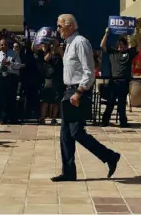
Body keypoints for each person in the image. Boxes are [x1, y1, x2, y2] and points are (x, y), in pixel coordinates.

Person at [52, 14, 120, 182]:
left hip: (78, 91)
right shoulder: (68, 45)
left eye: (60, 26)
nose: (57, 30)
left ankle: (110, 156)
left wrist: (79, 92)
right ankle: (68, 172)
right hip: (69, 91)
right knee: (66, 135)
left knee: (76, 133)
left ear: (70, 26)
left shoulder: (80, 43)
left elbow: (89, 72)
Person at [100, 28, 138, 127]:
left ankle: (123, 122)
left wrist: (133, 34)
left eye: (122, 45)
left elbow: (136, 47)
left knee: (121, 104)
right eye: (119, 45)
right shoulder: (113, 53)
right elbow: (102, 46)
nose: (120, 46)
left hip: (124, 83)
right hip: (113, 82)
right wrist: (106, 34)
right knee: (110, 103)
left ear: (126, 46)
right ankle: (105, 121)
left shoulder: (129, 54)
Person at [0, 38, 24, 124]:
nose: (3, 46)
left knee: (12, 99)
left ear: (8, 45)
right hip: (2, 78)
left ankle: (13, 118)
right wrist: (1, 65)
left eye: (5, 44)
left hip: (12, 78)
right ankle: (4, 118)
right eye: (2, 45)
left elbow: (19, 65)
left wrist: (10, 63)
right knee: (3, 99)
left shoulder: (14, 54)